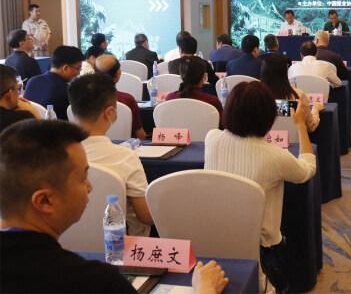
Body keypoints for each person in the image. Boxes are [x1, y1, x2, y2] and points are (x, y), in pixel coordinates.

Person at [0, 120, 229, 293]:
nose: (90, 186)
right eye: (83, 178)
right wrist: (205, 290)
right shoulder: (92, 282)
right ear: (44, 201)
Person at [204, 81, 316, 292]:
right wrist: (300, 125)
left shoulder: (211, 138)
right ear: (268, 116)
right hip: (262, 249)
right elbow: (307, 170)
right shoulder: (274, 156)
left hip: (216, 240)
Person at [67, 74, 154, 236]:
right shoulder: (125, 157)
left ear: (72, 110)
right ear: (110, 113)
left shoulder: (55, 156)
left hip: (65, 243)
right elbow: (146, 217)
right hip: (120, 246)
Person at [261, 53, 321, 132]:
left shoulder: (255, 97)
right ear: (285, 73)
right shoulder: (297, 95)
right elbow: (311, 126)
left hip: (263, 139)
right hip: (294, 139)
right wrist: (315, 109)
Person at [94, 54, 147, 140]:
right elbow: (140, 135)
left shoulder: (83, 100)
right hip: (124, 147)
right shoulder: (127, 100)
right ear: (117, 75)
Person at [23, 46, 84, 120]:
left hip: (29, 125)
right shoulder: (66, 90)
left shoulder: (32, 81)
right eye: (78, 68)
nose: (78, 73)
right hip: (56, 126)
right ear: (65, 68)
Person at [0, 65, 39, 132]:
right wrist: (30, 108)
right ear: (10, 93)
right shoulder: (21, 119)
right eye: (18, 89)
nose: (19, 95)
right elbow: (40, 136)